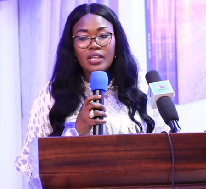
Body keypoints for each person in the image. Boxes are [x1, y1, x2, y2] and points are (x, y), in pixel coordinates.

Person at [14, 3, 170, 183]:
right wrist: (76, 131)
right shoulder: (52, 95)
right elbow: (33, 168)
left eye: (103, 36)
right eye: (82, 38)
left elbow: (168, 148)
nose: (94, 45)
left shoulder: (143, 86)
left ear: (117, 42)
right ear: (72, 47)